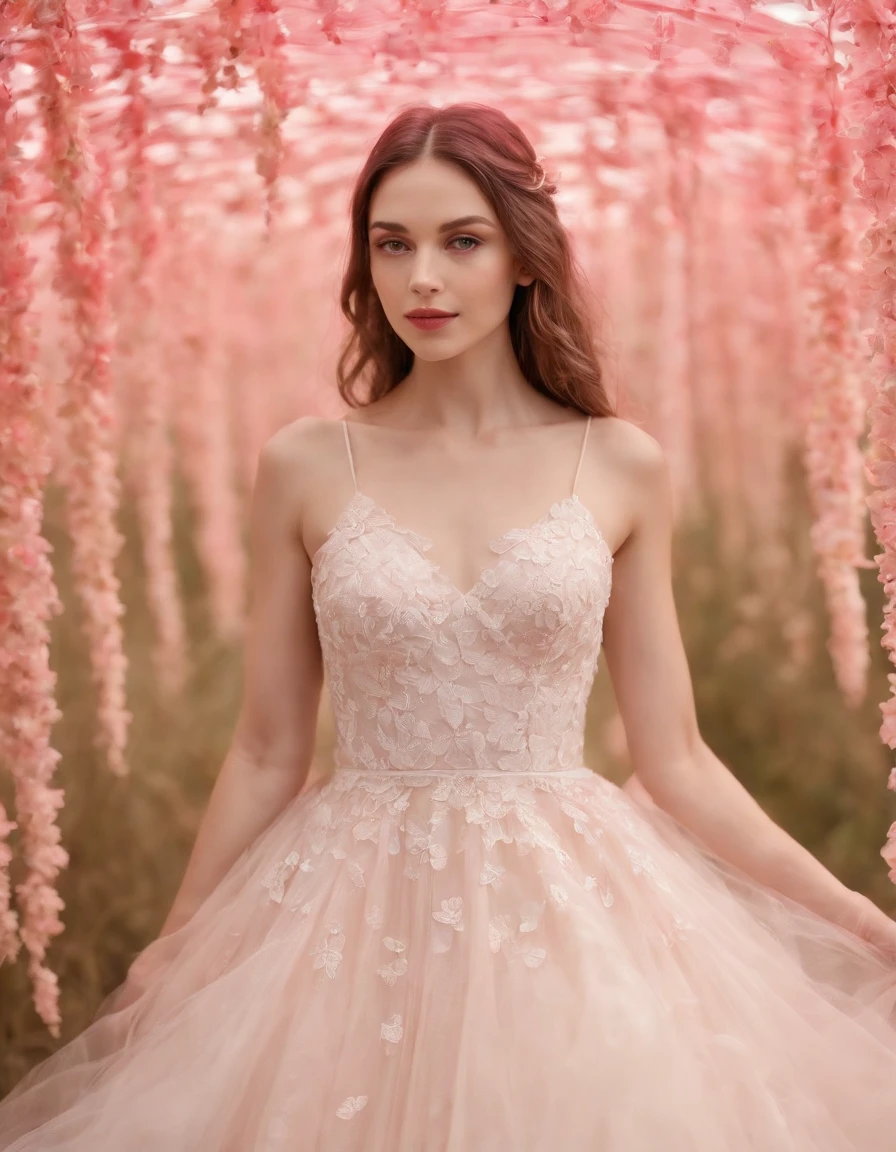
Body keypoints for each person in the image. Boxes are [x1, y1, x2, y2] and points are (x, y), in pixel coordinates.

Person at [2, 101, 896, 1151]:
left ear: (523, 257)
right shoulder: (305, 463)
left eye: (459, 241)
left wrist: (851, 913)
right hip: (347, 907)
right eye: (392, 245)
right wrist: (175, 944)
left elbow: (679, 756)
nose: (421, 276)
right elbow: (265, 745)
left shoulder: (615, 463)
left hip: (566, 902)